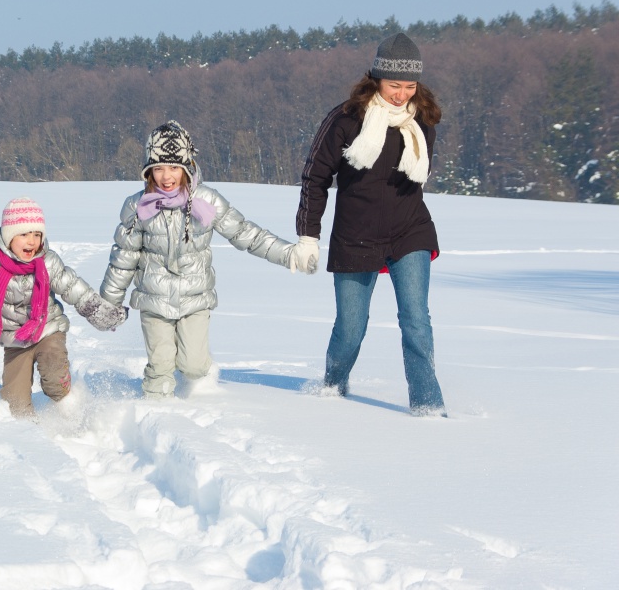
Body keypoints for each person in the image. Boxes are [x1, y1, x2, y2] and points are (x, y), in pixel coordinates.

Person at [291, 33, 447, 416]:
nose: (401, 94)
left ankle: (428, 406)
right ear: (377, 78)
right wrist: (308, 235)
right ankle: (332, 388)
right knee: (351, 328)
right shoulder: (346, 119)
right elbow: (315, 177)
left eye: (410, 86)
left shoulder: (421, 119)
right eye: (395, 85)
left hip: (410, 230)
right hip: (355, 236)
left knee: (416, 321)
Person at [100, 121, 298, 398]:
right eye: (158, 168)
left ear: (186, 167)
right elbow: (123, 258)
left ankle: (198, 389)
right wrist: (108, 304)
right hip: (153, 299)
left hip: (195, 298)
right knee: (160, 367)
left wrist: (289, 254)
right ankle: (155, 416)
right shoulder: (139, 206)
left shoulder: (206, 201)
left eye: (173, 168)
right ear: (148, 171)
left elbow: (244, 233)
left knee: (193, 366)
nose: (166, 176)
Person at [0, 197, 127, 417]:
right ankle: (29, 437)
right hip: (14, 338)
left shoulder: (48, 261)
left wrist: (100, 313)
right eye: (24, 234)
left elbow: (73, 288)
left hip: (47, 329)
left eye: (37, 234)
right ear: (9, 235)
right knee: (15, 404)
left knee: (53, 377)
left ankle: (69, 401)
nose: (32, 241)